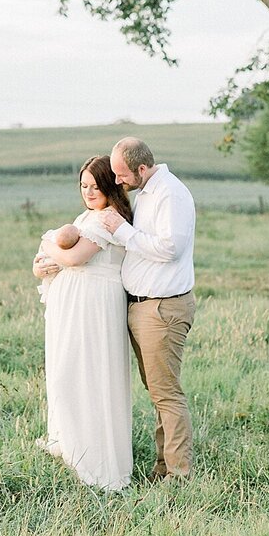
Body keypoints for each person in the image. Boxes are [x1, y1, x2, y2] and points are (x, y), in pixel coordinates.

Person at [33, 156, 134, 491]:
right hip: (71, 305)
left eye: (95, 185)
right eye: (84, 186)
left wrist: (47, 242)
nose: (89, 192)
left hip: (94, 305)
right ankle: (70, 444)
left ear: (110, 184)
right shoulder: (85, 217)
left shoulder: (110, 217)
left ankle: (96, 461)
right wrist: (42, 266)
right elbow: (59, 262)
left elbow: (75, 258)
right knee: (65, 373)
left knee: (87, 374)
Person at [100, 137, 196, 481]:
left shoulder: (170, 194)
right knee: (157, 391)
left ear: (142, 168)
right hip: (143, 308)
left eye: (121, 174)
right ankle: (162, 466)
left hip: (162, 309)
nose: (117, 181)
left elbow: (171, 248)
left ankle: (179, 474)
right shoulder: (148, 194)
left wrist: (124, 232)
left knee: (167, 394)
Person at [34, 223, 81, 303]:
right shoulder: (81, 219)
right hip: (51, 269)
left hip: (61, 284)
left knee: (49, 283)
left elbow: (71, 260)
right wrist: (36, 268)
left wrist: (45, 243)